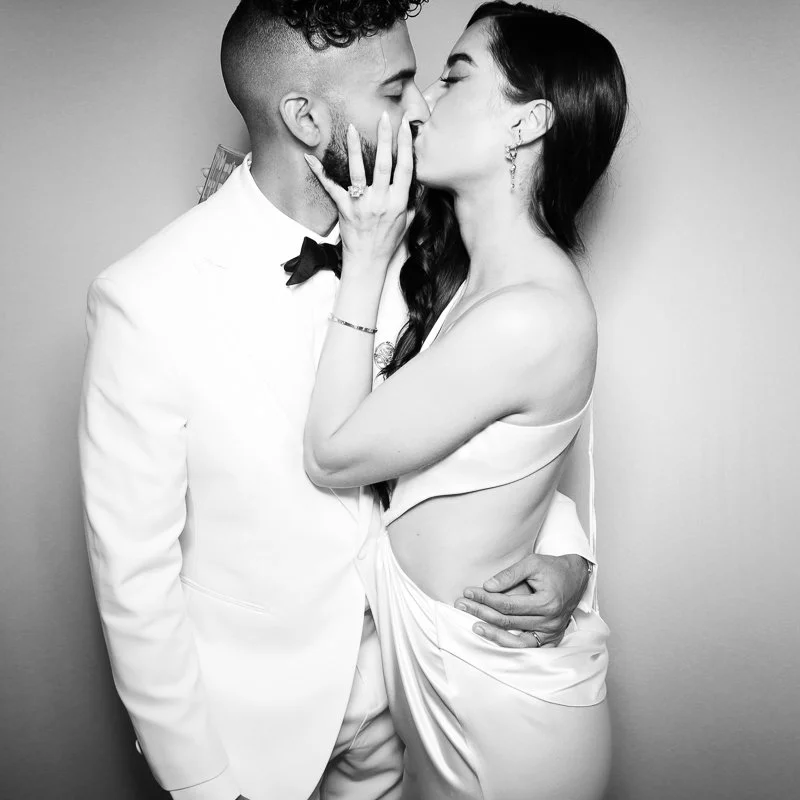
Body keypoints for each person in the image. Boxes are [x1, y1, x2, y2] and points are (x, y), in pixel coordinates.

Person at [79, 2, 596, 799]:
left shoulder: (433, 245)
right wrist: (205, 783)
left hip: (415, 700)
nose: (421, 108)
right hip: (258, 739)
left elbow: (505, 434)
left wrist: (569, 559)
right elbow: (133, 582)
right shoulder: (149, 300)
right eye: (395, 91)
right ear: (305, 116)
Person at [303, 3, 628, 799]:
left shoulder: (528, 312)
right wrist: (569, 555)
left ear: (529, 124)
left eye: (453, 78)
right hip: (427, 684)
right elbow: (502, 461)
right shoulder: (469, 277)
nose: (421, 106)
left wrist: (366, 261)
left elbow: (332, 454)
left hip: (496, 708)